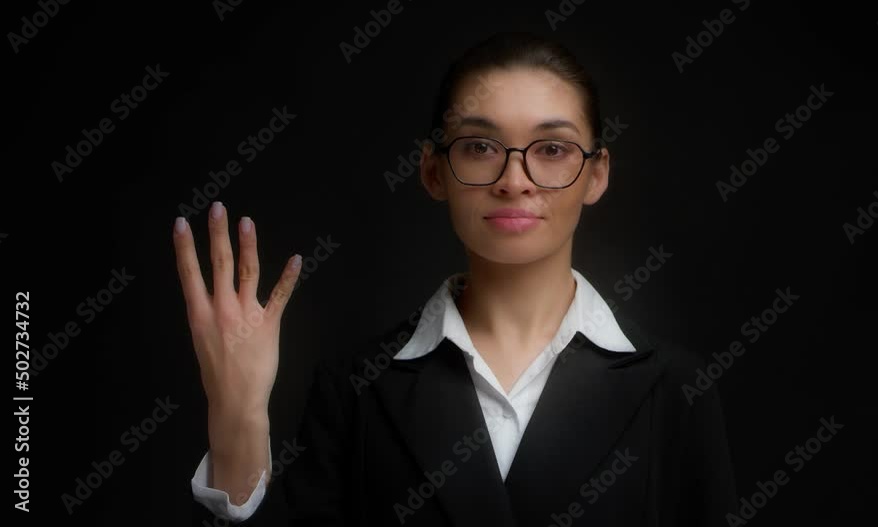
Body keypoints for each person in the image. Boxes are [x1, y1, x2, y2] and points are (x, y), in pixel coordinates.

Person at [172, 31, 739, 526]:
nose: (515, 180)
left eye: (552, 149)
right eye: (478, 147)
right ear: (432, 171)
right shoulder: (356, 389)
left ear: (596, 174)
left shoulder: (676, 388)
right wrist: (236, 415)